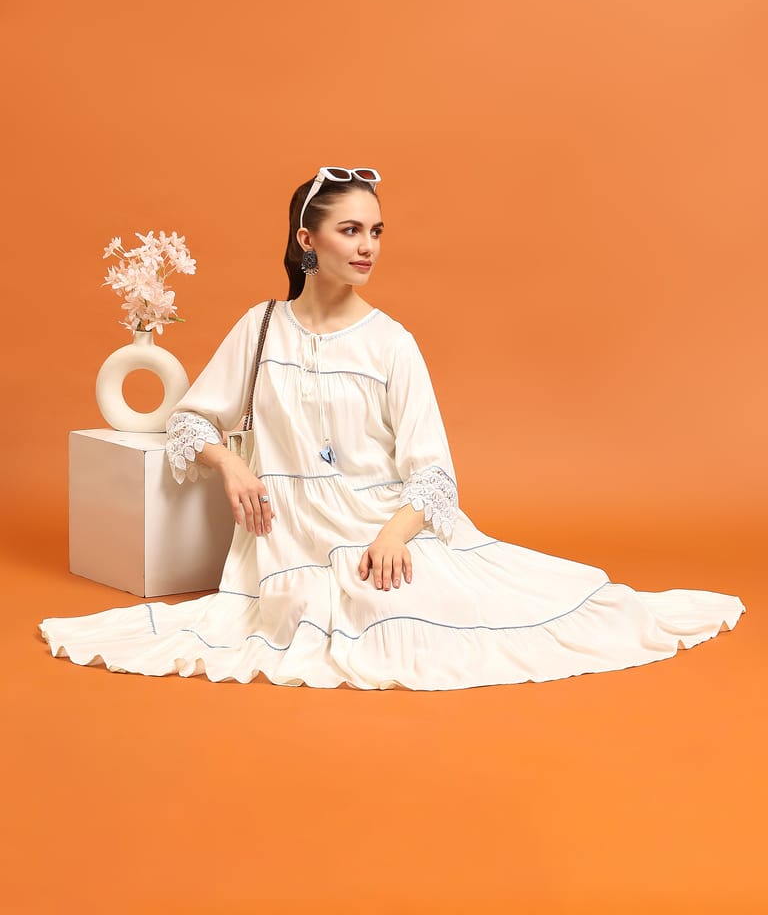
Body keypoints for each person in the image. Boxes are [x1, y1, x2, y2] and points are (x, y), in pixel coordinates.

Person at [39, 167, 746, 689]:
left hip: (383, 529)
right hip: (291, 542)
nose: (368, 246)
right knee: (316, 619)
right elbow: (189, 422)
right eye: (350, 230)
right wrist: (232, 464)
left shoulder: (391, 343)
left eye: (376, 231)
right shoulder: (260, 327)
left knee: (425, 622)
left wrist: (392, 537)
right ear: (306, 239)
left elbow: (433, 473)